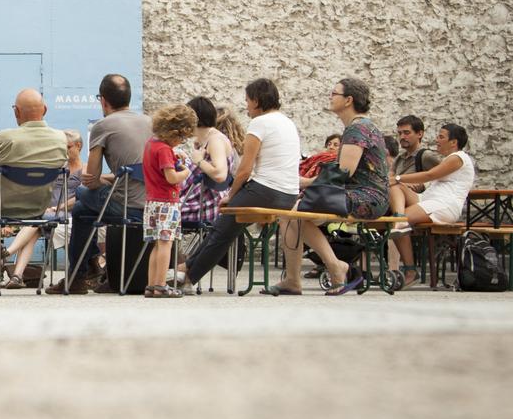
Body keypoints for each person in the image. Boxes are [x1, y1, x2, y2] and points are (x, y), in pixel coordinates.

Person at [177, 79, 301, 292]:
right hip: (289, 194)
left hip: (266, 190)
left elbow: (244, 169)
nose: (246, 106)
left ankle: (187, 275)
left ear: (256, 100)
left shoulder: (260, 123)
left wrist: (231, 196)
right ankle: (187, 269)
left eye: (247, 100)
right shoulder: (287, 122)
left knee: (222, 229)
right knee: (222, 228)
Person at [270, 77, 390, 296]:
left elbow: (344, 173)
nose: (330, 97)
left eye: (335, 93)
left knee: (294, 213)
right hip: (361, 195)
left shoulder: (357, 129)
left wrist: (306, 183)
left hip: (366, 197)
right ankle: (294, 279)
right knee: (290, 214)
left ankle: (335, 267)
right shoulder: (361, 126)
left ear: (349, 100)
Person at [46, 74, 151, 295]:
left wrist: (101, 179)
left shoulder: (103, 126)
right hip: (152, 205)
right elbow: (138, 172)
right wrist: (110, 179)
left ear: (103, 100)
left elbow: (90, 180)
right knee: (84, 208)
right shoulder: (150, 122)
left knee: (83, 198)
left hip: (126, 206)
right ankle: (91, 267)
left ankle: (79, 276)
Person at [0, 89, 67, 290]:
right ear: (45, 110)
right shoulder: (60, 138)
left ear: (16, 112)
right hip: (37, 207)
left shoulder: (6, 137)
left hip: (1, 205)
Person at [389, 123, 476, 289]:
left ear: (453, 142)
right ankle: (400, 219)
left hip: (445, 205)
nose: (437, 140)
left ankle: (410, 271)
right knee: (394, 188)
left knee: (397, 192)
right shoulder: (449, 158)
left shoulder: (458, 158)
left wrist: (399, 178)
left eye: (441, 137)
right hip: (428, 200)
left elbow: (430, 174)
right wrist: (396, 181)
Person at [0, 128, 85, 289]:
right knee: (34, 228)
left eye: (68, 147)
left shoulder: (84, 169)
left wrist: (57, 207)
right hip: (47, 215)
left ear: (78, 146)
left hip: (67, 214)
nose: (65, 152)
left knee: (35, 222)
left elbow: (81, 197)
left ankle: (8, 253)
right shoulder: (58, 168)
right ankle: (16, 277)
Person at [142, 105, 197, 298]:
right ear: (175, 132)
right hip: (167, 202)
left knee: (157, 245)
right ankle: (161, 285)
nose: (181, 141)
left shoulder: (151, 143)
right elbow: (171, 177)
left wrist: (175, 153)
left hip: (152, 202)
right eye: (181, 137)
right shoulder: (164, 149)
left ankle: (151, 285)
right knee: (167, 243)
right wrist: (187, 171)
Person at [178, 96, 237, 230]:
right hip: (202, 201)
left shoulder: (215, 140)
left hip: (206, 205)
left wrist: (198, 161)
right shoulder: (207, 138)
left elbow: (220, 174)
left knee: (162, 212)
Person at [392, 115, 441, 192]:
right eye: (400, 133)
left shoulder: (426, 156)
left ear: (419, 134)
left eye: (406, 133)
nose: (402, 137)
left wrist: (423, 185)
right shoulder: (399, 158)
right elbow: (389, 179)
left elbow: (445, 177)